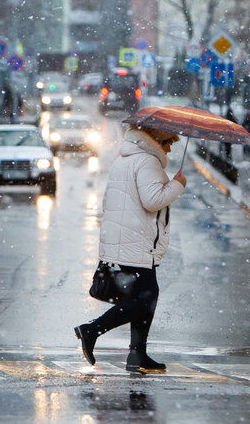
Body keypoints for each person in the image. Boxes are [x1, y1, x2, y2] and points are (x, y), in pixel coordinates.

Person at [74, 125, 186, 372]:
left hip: (124, 238)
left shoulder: (125, 160)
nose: (169, 148)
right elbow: (153, 200)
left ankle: (137, 355)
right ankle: (92, 330)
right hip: (136, 242)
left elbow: (109, 200)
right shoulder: (147, 162)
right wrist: (177, 185)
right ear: (157, 140)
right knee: (146, 299)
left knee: (144, 297)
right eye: (168, 143)